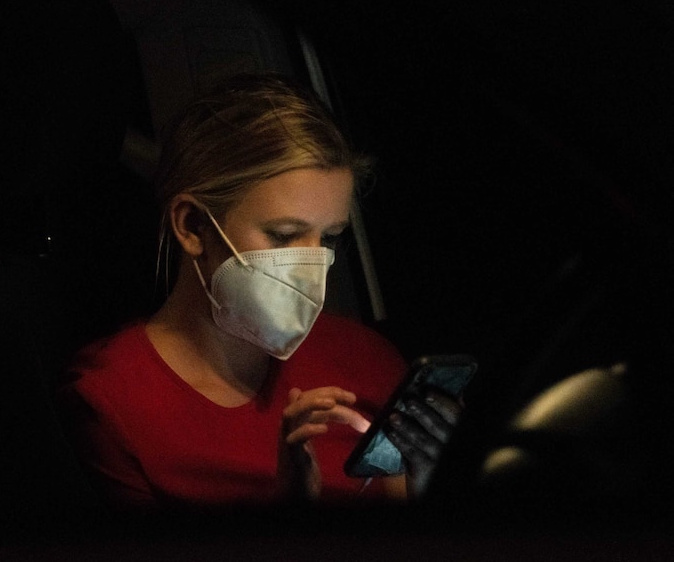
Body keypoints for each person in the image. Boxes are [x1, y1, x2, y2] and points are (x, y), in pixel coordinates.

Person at [58, 73, 461, 508]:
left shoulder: (368, 359)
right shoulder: (113, 400)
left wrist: (432, 486)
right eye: (284, 235)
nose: (312, 266)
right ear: (193, 226)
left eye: (327, 238)